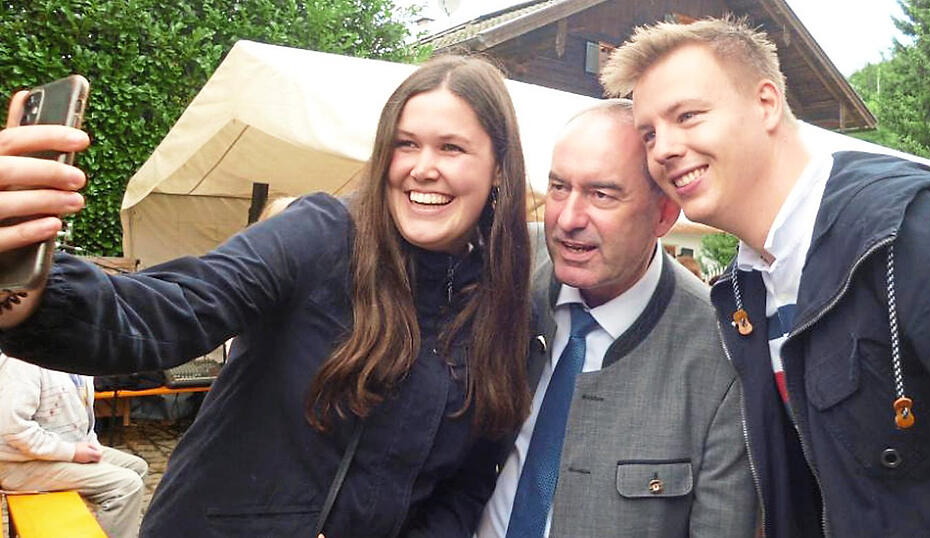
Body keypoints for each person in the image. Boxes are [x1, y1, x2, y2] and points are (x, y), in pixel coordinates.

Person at [0, 55, 532, 537]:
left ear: (500, 168)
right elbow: (170, 311)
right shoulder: (323, 233)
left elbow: (463, 487)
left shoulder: (503, 307)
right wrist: (23, 287)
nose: (422, 167)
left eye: (452, 148)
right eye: (405, 143)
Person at [602, 17, 930, 537]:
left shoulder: (911, 228)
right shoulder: (742, 294)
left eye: (689, 116)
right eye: (649, 133)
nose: (664, 149)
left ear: (766, 103)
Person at [476, 100, 756, 538]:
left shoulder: (719, 355)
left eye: (601, 194)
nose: (569, 219)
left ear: (663, 214)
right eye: (558, 187)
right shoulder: (504, 266)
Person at [0, 353, 148, 537]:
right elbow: (13, 430)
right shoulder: (22, 362)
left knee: (138, 468)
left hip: (56, 452)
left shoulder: (75, 357)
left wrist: (88, 445)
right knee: (126, 486)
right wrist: (72, 452)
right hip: (18, 465)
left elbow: (83, 415)